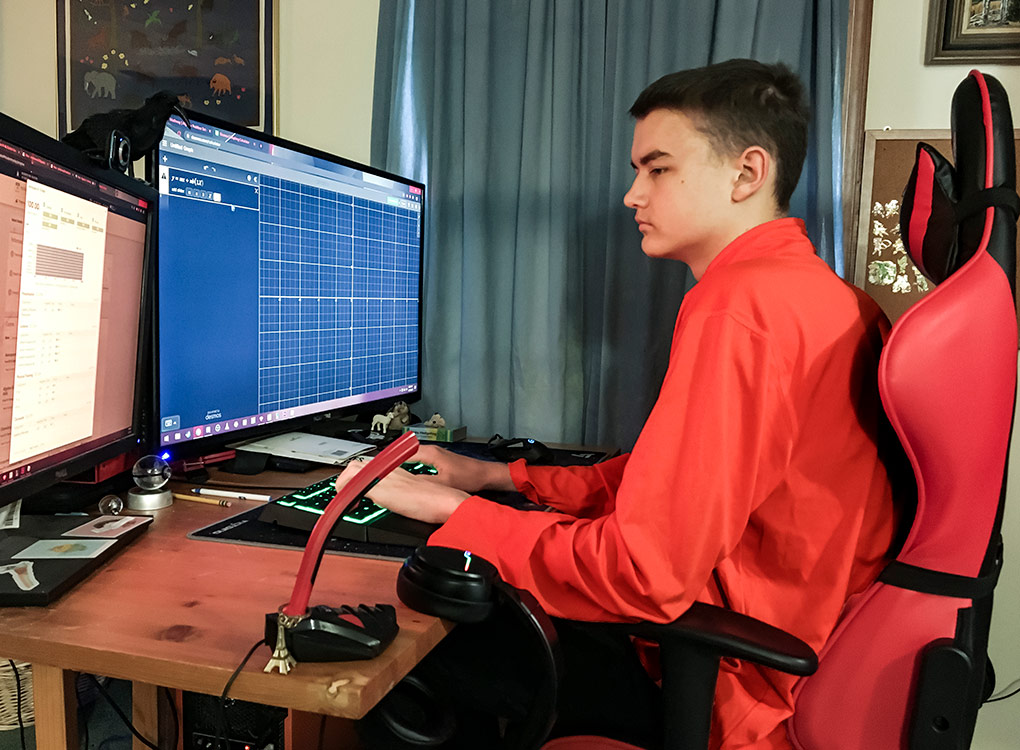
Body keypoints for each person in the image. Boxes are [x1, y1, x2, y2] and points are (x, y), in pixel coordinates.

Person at [338, 59, 899, 750]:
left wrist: (454, 513)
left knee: (394, 656)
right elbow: (672, 481)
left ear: (747, 173)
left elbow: (645, 574)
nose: (633, 194)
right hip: (769, 642)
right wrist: (495, 478)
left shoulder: (741, 308)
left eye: (657, 168)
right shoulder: (822, 296)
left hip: (723, 682)